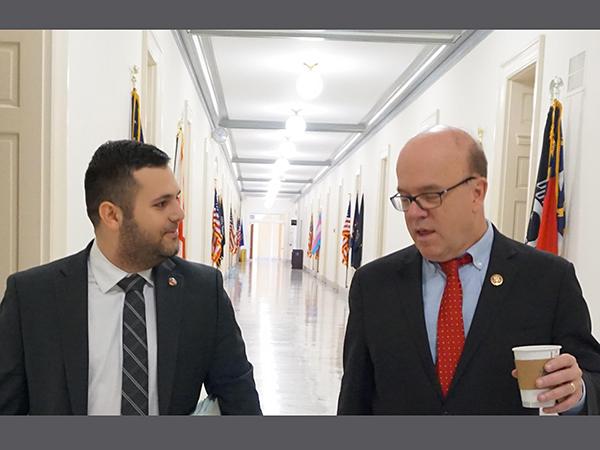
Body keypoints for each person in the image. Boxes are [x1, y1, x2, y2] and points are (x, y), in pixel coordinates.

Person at [337, 125, 600, 415]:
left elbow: (592, 376)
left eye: (430, 195)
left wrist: (579, 392)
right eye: (406, 198)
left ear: (477, 192)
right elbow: (354, 399)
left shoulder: (548, 278)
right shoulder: (373, 285)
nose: (414, 213)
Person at [0, 140, 261, 415]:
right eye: (161, 204)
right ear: (112, 215)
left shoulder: (203, 292)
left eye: (176, 198)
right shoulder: (32, 296)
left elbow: (239, 400)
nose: (179, 213)